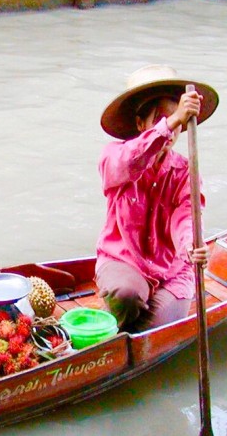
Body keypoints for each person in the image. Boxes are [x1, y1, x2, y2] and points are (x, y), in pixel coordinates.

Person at [94, 64, 219, 333]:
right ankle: (116, 313)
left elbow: (186, 216)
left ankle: (118, 328)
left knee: (151, 331)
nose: (171, 128)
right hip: (123, 260)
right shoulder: (115, 156)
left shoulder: (185, 171)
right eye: (161, 119)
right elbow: (131, 160)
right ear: (141, 124)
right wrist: (173, 120)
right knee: (127, 295)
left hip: (172, 272)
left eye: (176, 120)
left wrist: (190, 245)